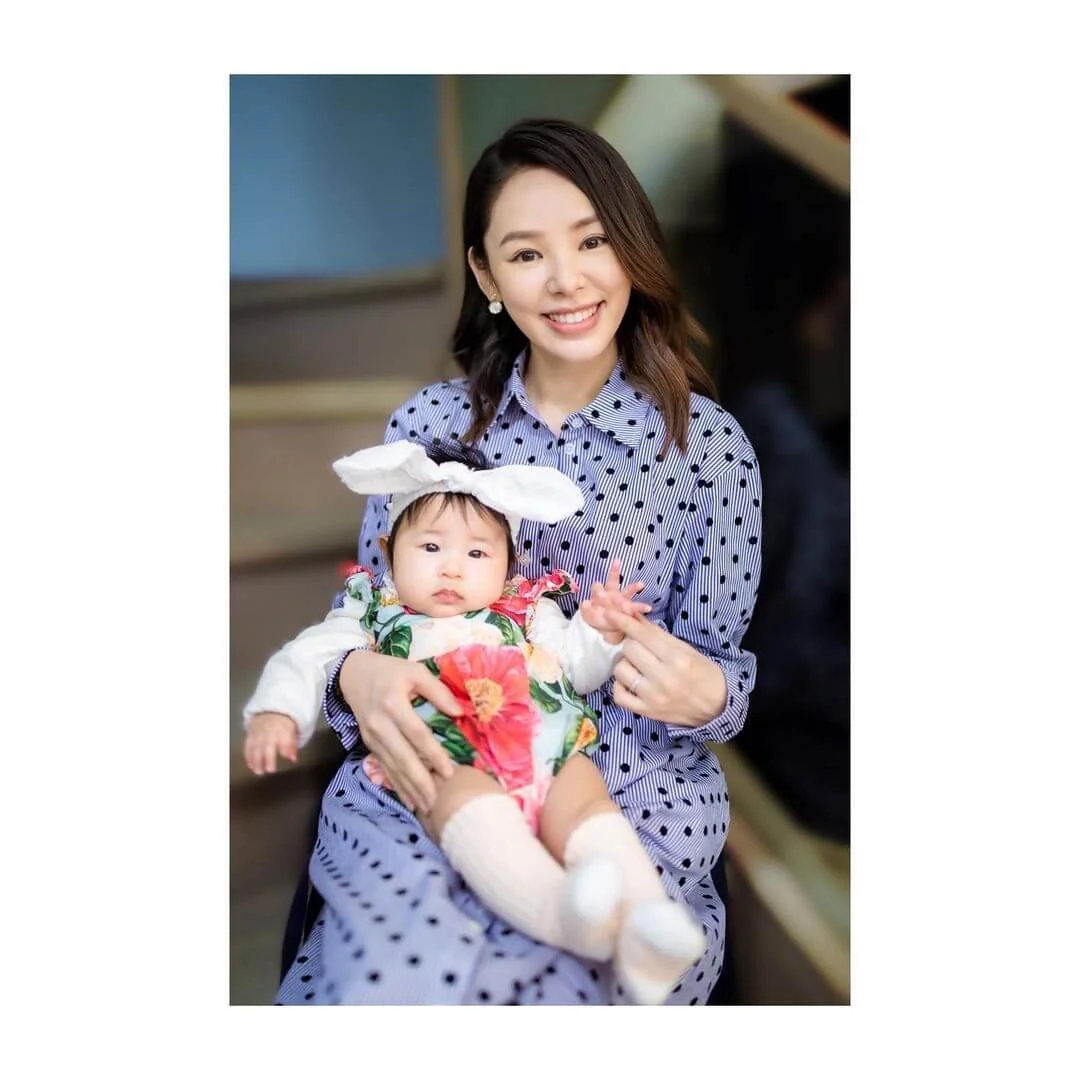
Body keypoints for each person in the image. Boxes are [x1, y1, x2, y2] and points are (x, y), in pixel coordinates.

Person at [270, 116, 762, 1005]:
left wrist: (712, 695)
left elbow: (722, 675)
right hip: (432, 772)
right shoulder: (430, 425)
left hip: (625, 788)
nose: (567, 279)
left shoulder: (710, 450)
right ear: (487, 275)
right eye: (527, 254)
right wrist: (354, 679)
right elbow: (373, 612)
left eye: (593, 241)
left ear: (633, 252)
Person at [244, 438, 709, 1003]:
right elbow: (309, 656)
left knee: (585, 800)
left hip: (541, 740)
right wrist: (278, 709)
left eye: (477, 554)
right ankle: (561, 914)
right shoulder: (373, 609)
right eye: (431, 546)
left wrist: (600, 631)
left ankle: (647, 923)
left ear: (508, 563)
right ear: (389, 550)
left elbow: (577, 667)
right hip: (442, 750)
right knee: (466, 803)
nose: (451, 568)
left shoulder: (528, 609)